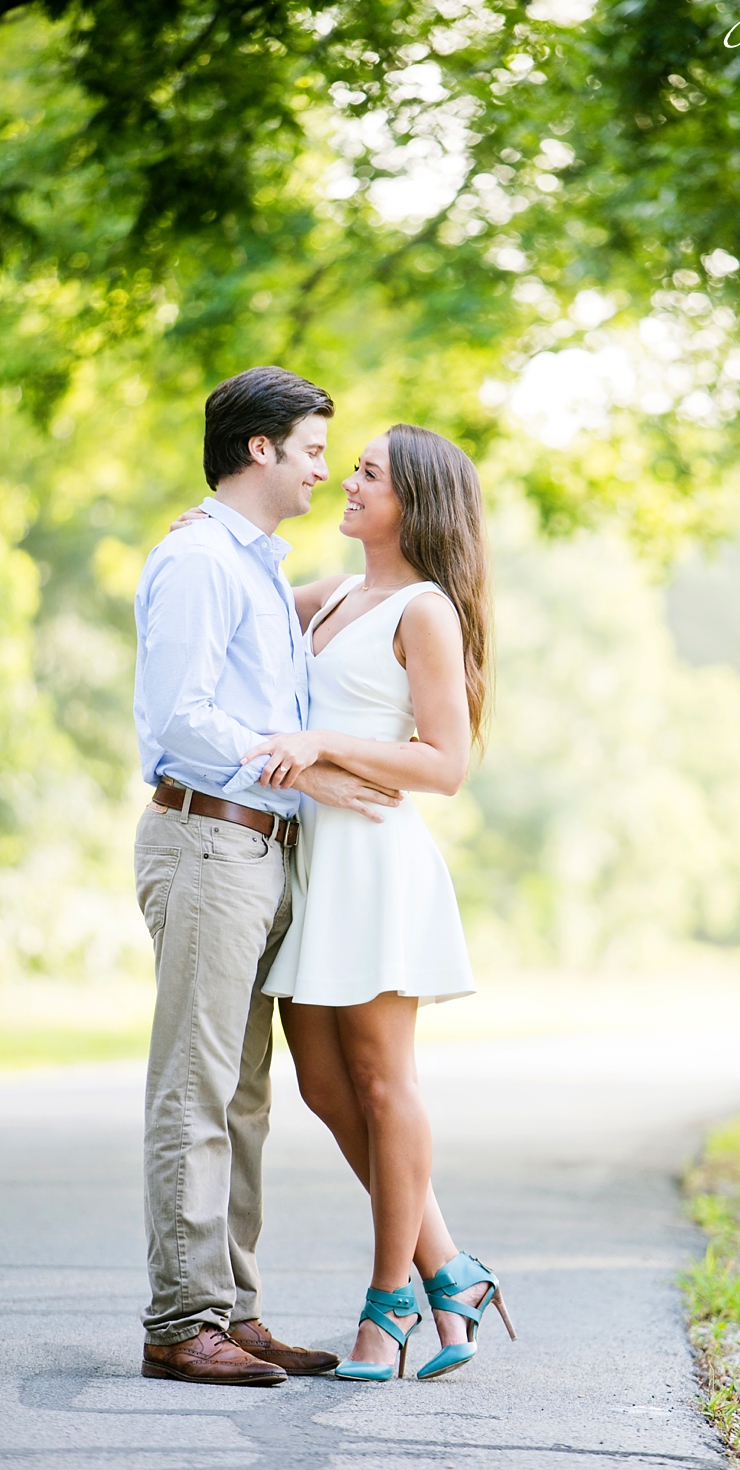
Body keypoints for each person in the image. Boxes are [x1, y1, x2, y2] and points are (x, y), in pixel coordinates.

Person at [173, 423, 516, 1382]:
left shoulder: (424, 609)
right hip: (308, 857)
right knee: (324, 1087)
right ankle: (452, 1268)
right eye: (349, 466)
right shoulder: (328, 597)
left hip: (372, 860)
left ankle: (387, 1304)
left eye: (367, 473)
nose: (346, 481)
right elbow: (231, 609)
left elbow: (442, 764)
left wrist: (320, 745)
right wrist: (201, 532)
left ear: (415, 502)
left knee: (380, 1084)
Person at [133, 365, 403, 1387]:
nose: (322, 470)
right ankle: (179, 1320)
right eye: (309, 451)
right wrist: (305, 769)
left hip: (252, 847)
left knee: (242, 1098)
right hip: (208, 838)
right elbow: (178, 719)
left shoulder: (248, 565)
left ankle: (232, 1312)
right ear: (260, 450)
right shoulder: (202, 560)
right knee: (197, 1089)